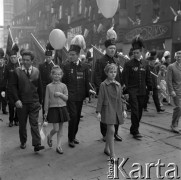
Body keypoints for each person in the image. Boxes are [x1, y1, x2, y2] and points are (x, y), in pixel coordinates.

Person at [9, 50, 45, 152]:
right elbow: (13, 87)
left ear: (32, 61)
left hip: (34, 102)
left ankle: (37, 144)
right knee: (22, 124)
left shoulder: (37, 71)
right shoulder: (16, 71)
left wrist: (40, 102)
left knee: (34, 123)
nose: (25, 62)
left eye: (27, 60)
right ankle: (23, 141)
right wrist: (16, 100)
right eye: (23, 60)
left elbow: (40, 87)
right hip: (22, 103)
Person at [122, 35, 152, 139]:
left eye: (137, 53)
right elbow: (124, 79)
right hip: (132, 91)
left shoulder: (145, 63)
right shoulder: (128, 64)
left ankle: (133, 128)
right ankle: (136, 131)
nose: (135, 54)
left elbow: (148, 78)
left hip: (143, 91)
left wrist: (151, 89)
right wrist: (125, 92)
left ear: (141, 52)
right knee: (134, 110)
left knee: (139, 111)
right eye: (134, 53)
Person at [62, 43, 90, 148]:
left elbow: (86, 82)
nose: (70, 56)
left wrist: (87, 96)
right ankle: (70, 138)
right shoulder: (65, 66)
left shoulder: (85, 66)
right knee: (73, 116)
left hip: (80, 95)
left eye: (73, 54)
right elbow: (63, 82)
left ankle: (74, 136)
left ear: (78, 55)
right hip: (70, 96)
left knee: (77, 117)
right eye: (69, 54)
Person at [94, 39, 123, 142]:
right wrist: (101, 89)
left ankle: (115, 133)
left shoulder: (116, 61)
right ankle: (105, 134)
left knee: (116, 112)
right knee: (105, 113)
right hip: (105, 91)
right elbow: (96, 76)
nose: (112, 50)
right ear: (106, 49)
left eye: (114, 48)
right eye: (110, 48)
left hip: (115, 90)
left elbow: (118, 76)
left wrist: (121, 86)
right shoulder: (100, 61)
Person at [96, 63, 124, 159]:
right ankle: (112, 154)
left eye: (115, 72)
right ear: (106, 73)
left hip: (116, 108)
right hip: (107, 109)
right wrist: (98, 112)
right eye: (111, 72)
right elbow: (100, 98)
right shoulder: (103, 85)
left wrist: (123, 110)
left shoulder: (118, 85)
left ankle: (106, 148)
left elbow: (120, 99)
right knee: (112, 130)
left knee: (110, 131)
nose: (113, 74)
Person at [44, 65, 69, 154]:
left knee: (61, 129)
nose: (57, 76)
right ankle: (50, 136)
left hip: (62, 108)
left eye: (59, 74)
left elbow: (66, 98)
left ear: (61, 75)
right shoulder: (48, 86)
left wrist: (60, 94)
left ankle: (58, 146)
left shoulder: (63, 86)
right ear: (52, 75)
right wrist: (46, 111)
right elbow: (46, 100)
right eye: (55, 74)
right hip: (53, 109)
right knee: (56, 128)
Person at [4, 44, 20, 127]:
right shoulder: (7, 67)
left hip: (18, 89)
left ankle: (16, 120)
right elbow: (5, 79)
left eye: (14, 57)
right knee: (11, 105)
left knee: (18, 105)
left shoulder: (20, 65)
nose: (13, 59)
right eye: (12, 58)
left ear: (17, 57)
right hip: (10, 89)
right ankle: (11, 120)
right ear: (10, 58)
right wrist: (4, 90)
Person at [39, 43, 55, 119]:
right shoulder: (41, 66)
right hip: (44, 86)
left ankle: (50, 115)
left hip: (52, 86)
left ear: (51, 57)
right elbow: (40, 77)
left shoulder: (54, 66)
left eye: (49, 57)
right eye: (47, 57)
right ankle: (44, 116)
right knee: (45, 102)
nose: (48, 58)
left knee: (51, 101)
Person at [167, 50, 181, 133]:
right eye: (178, 56)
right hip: (176, 91)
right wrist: (171, 90)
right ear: (175, 57)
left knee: (180, 109)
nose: (179, 57)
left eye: (180, 56)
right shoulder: (171, 66)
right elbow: (169, 80)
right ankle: (174, 125)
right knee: (178, 107)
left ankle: (176, 123)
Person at [0, 48, 8, 114]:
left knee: (4, 99)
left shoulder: (6, 67)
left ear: (3, 60)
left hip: (4, 86)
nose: (0, 61)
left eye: (1, 60)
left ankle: (4, 109)